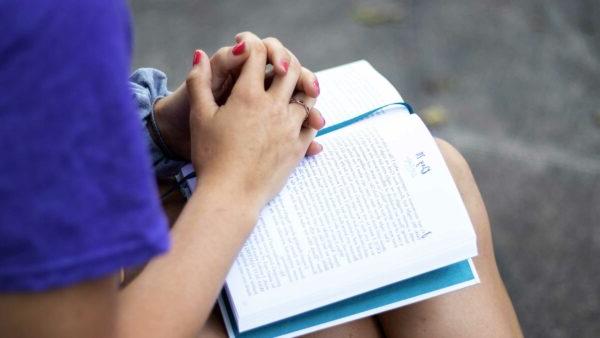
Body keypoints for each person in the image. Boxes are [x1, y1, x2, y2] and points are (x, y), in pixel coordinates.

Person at [0, 1, 522, 337]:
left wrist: (159, 130)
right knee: (333, 326)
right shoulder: (55, 23)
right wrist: (234, 186)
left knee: (436, 175)